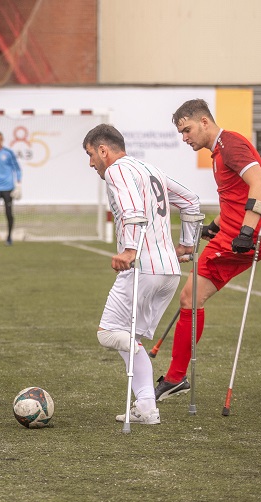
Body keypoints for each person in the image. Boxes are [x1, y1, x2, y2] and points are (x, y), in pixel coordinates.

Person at [155, 98, 261, 401]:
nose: (185, 138)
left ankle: (175, 378)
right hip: (230, 234)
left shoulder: (231, 144)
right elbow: (236, 197)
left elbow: (260, 186)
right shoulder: (219, 152)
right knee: (190, 298)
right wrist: (214, 226)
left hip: (244, 238)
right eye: (181, 133)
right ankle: (176, 377)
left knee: (190, 297)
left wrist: (246, 232)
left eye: (187, 130)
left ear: (204, 122)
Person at [83, 124, 201, 424]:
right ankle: (147, 408)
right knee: (128, 336)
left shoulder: (117, 170)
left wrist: (130, 250)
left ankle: (148, 404)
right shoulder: (150, 169)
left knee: (109, 333)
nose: (91, 163)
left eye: (91, 155)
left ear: (103, 150)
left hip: (143, 267)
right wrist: (188, 243)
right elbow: (190, 199)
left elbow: (132, 209)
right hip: (169, 271)